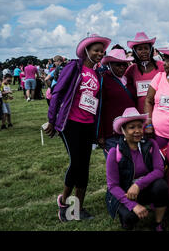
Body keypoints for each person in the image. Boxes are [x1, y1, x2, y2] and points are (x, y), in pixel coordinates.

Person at [45, 34, 111, 222]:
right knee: (76, 163)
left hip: (88, 124)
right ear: (86, 51)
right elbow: (57, 92)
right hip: (70, 123)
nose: (99, 53)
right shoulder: (74, 68)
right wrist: (51, 119)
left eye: (101, 51)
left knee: (84, 167)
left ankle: (78, 208)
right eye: (96, 50)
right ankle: (64, 203)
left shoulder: (98, 74)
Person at [105, 107, 168, 231]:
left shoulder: (151, 144)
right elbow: (112, 186)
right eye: (132, 127)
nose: (137, 131)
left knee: (161, 186)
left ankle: (158, 223)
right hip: (125, 193)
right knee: (130, 216)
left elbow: (159, 170)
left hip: (142, 189)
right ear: (123, 130)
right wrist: (133, 205)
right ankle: (128, 219)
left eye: (139, 126)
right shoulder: (114, 152)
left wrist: (138, 185)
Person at [98, 49, 137, 157]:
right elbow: (99, 108)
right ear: (109, 64)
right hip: (111, 133)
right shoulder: (103, 80)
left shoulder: (128, 79)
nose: (122, 68)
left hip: (130, 131)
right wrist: (100, 134)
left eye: (124, 65)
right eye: (118, 65)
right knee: (116, 164)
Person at [125, 32, 164, 113]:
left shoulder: (162, 66)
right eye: (140, 49)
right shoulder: (131, 70)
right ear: (135, 52)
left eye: (146, 48)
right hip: (140, 114)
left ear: (151, 50)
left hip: (160, 113)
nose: (143, 51)